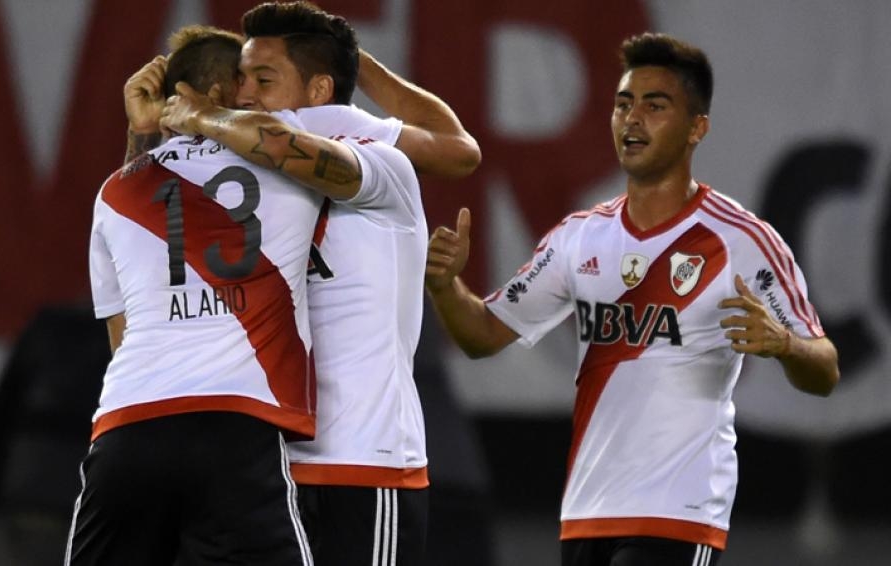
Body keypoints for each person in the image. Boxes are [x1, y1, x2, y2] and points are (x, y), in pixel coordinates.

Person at [423, 32, 839, 566]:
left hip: (680, 510)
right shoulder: (579, 238)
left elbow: (825, 369)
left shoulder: (742, 240)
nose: (632, 119)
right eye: (624, 104)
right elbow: (482, 335)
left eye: (655, 105)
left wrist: (785, 344)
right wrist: (445, 286)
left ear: (697, 128)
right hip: (588, 510)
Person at [156, 3, 480, 564]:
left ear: (319, 91)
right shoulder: (244, 153)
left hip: (362, 458)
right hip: (273, 466)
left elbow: (457, 153)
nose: (245, 93)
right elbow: (457, 148)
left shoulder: (342, 136)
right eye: (240, 78)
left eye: (263, 79)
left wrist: (192, 120)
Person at [67, 25, 378, 565]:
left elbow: (122, 335)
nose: (255, 95)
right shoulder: (286, 163)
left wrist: (143, 133)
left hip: (127, 430)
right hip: (236, 432)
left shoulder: (115, 192)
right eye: (247, 81)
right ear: (218, 93)